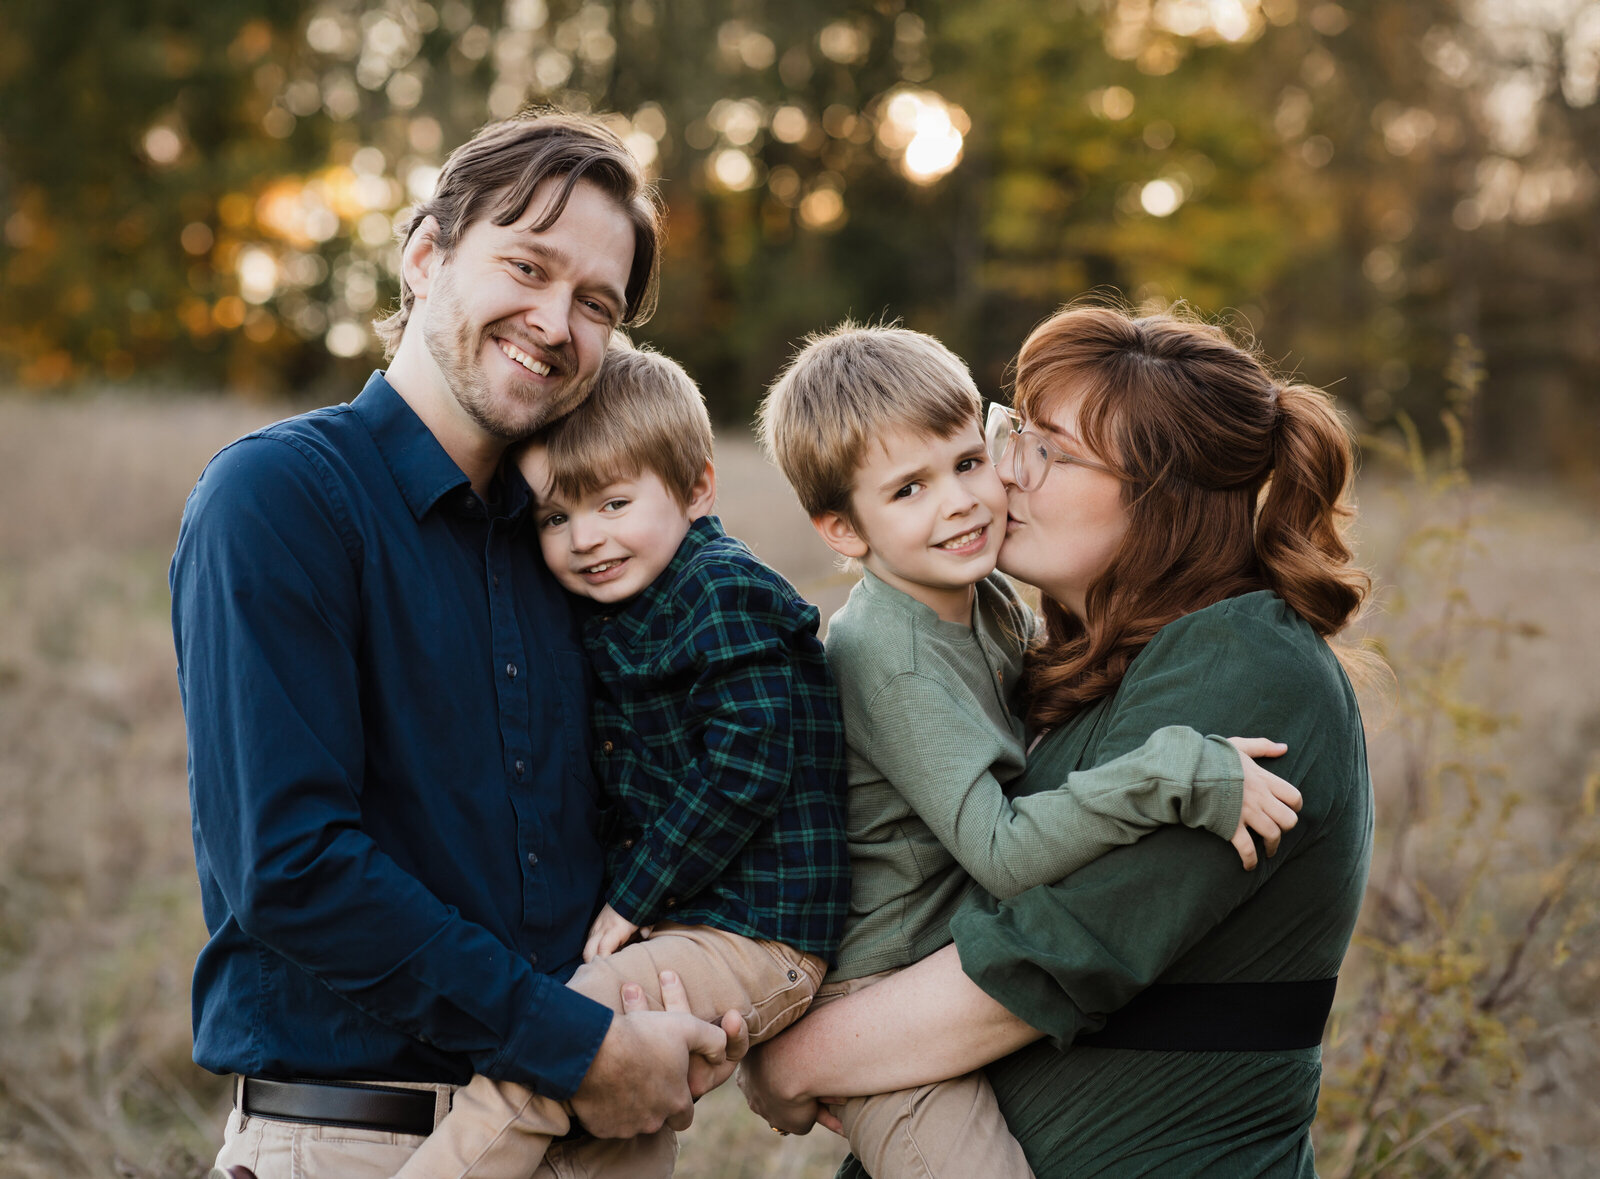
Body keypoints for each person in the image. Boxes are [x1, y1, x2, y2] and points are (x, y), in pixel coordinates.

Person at [171, 112, 742, 1179]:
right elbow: (290, 868)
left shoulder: (583, 547)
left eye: (596, 304)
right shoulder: (281, 498)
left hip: (601, 1142)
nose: (554, 321)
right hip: (357, 1140)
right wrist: (576, 1048)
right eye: (526, 266)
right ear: (427, 256)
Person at [739, 304, 1376, 1178]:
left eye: (1051, 451)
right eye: (1014, 435)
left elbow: (1056, 950)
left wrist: (794, 1060)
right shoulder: (1089, 646)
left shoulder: (1252, 664)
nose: (1006, 475)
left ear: (1167, 501)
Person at [391, 341, 851, 1179]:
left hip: (758, 931)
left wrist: (632, 897)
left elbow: (748, 760)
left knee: (572, 1032)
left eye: (612, 503)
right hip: (698, 926)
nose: (585, 539)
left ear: (697, 487)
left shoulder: (720, 589)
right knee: (621, 1126)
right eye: (555, 517)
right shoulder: (616, 609)